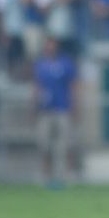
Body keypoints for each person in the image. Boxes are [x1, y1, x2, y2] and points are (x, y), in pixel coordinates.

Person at [32, 36, 79, 188]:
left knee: (65, 144)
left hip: (62, 109)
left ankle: (67, 175)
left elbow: (73, 86)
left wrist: (74, 107)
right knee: (44, 145)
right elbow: (36, 87)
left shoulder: (66, 64)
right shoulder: (40, 64)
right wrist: (34, 107)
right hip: (45, 110)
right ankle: (46, 175)